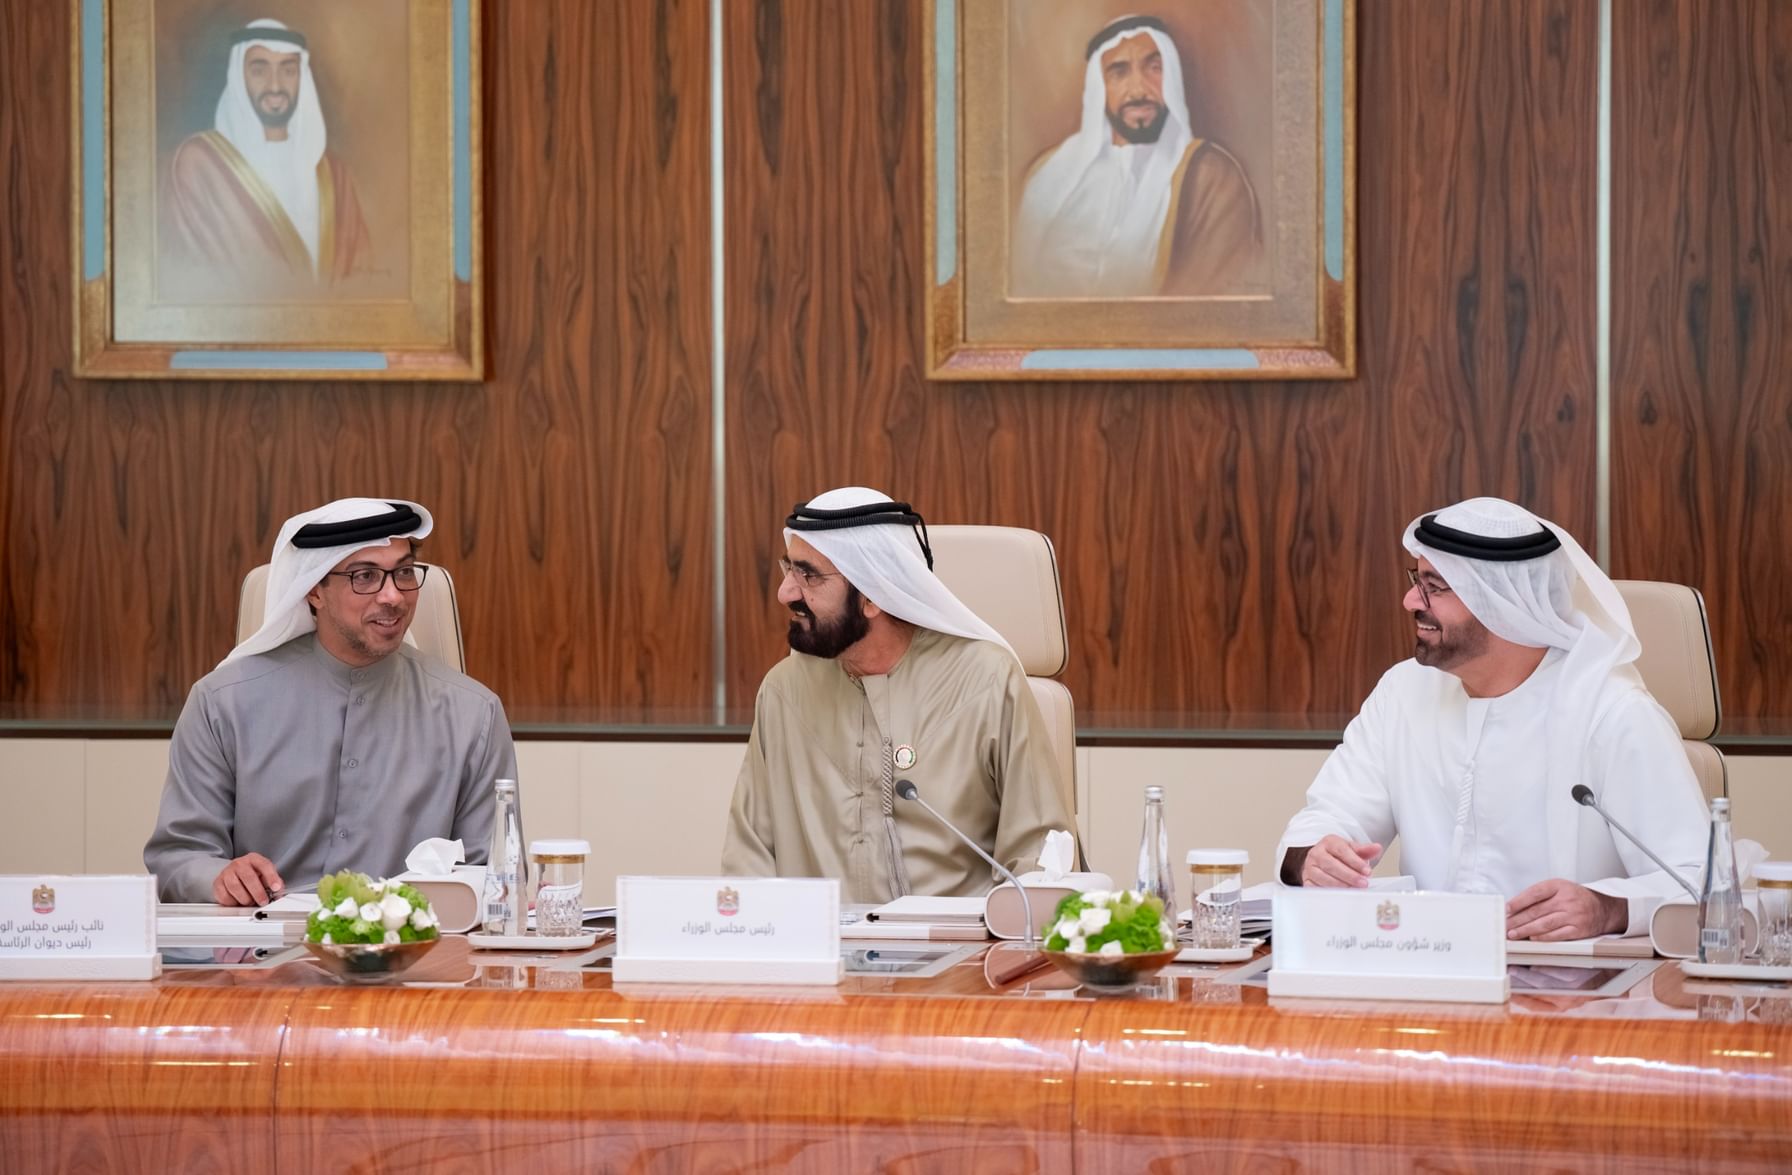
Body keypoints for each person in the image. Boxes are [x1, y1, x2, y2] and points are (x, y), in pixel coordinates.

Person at [1277, 497, 1709, 941]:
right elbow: (1329, 815)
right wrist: (1315, 857)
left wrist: (1607, 908)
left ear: (1502, 603)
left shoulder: (1613, 713)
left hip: (1566, 978)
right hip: (1427, 964)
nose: (1410, 601)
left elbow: (1698, 881)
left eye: (1434, 586)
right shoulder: (1403, 692)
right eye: (1416, 580)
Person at [144, 498, 515, 905]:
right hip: (261, 940)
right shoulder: (222, 703)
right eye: (365, 576)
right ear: (314, 590)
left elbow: (492, 876)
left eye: (404, 572)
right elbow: (178, 857)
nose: (393, 596)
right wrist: (220, 878)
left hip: (411, 942)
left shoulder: (473, 715)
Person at [722, 488, 1076, 904]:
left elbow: (1038, 861)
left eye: (808, 575)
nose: (786, 593)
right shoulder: (785, 690)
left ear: (873, 594)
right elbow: (749, 860)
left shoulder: (986, 681)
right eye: (789, 569)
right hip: (822, 943)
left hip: (960, 942)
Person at [1012, 13, 1263, 298]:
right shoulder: (1049, 176)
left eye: (1154, 68)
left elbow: (1219, 293)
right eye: (1119, 72)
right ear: (1099, 88)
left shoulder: (1211, 177)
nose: (1138, 90)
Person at [162, 18, 374, 296]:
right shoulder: (199, 164)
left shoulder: (333, 174)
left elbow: (364, 274)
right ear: (239, 77)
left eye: (288, 70)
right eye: (259, 70)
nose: (275, 85)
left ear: (301, 77)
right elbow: (193, 276)